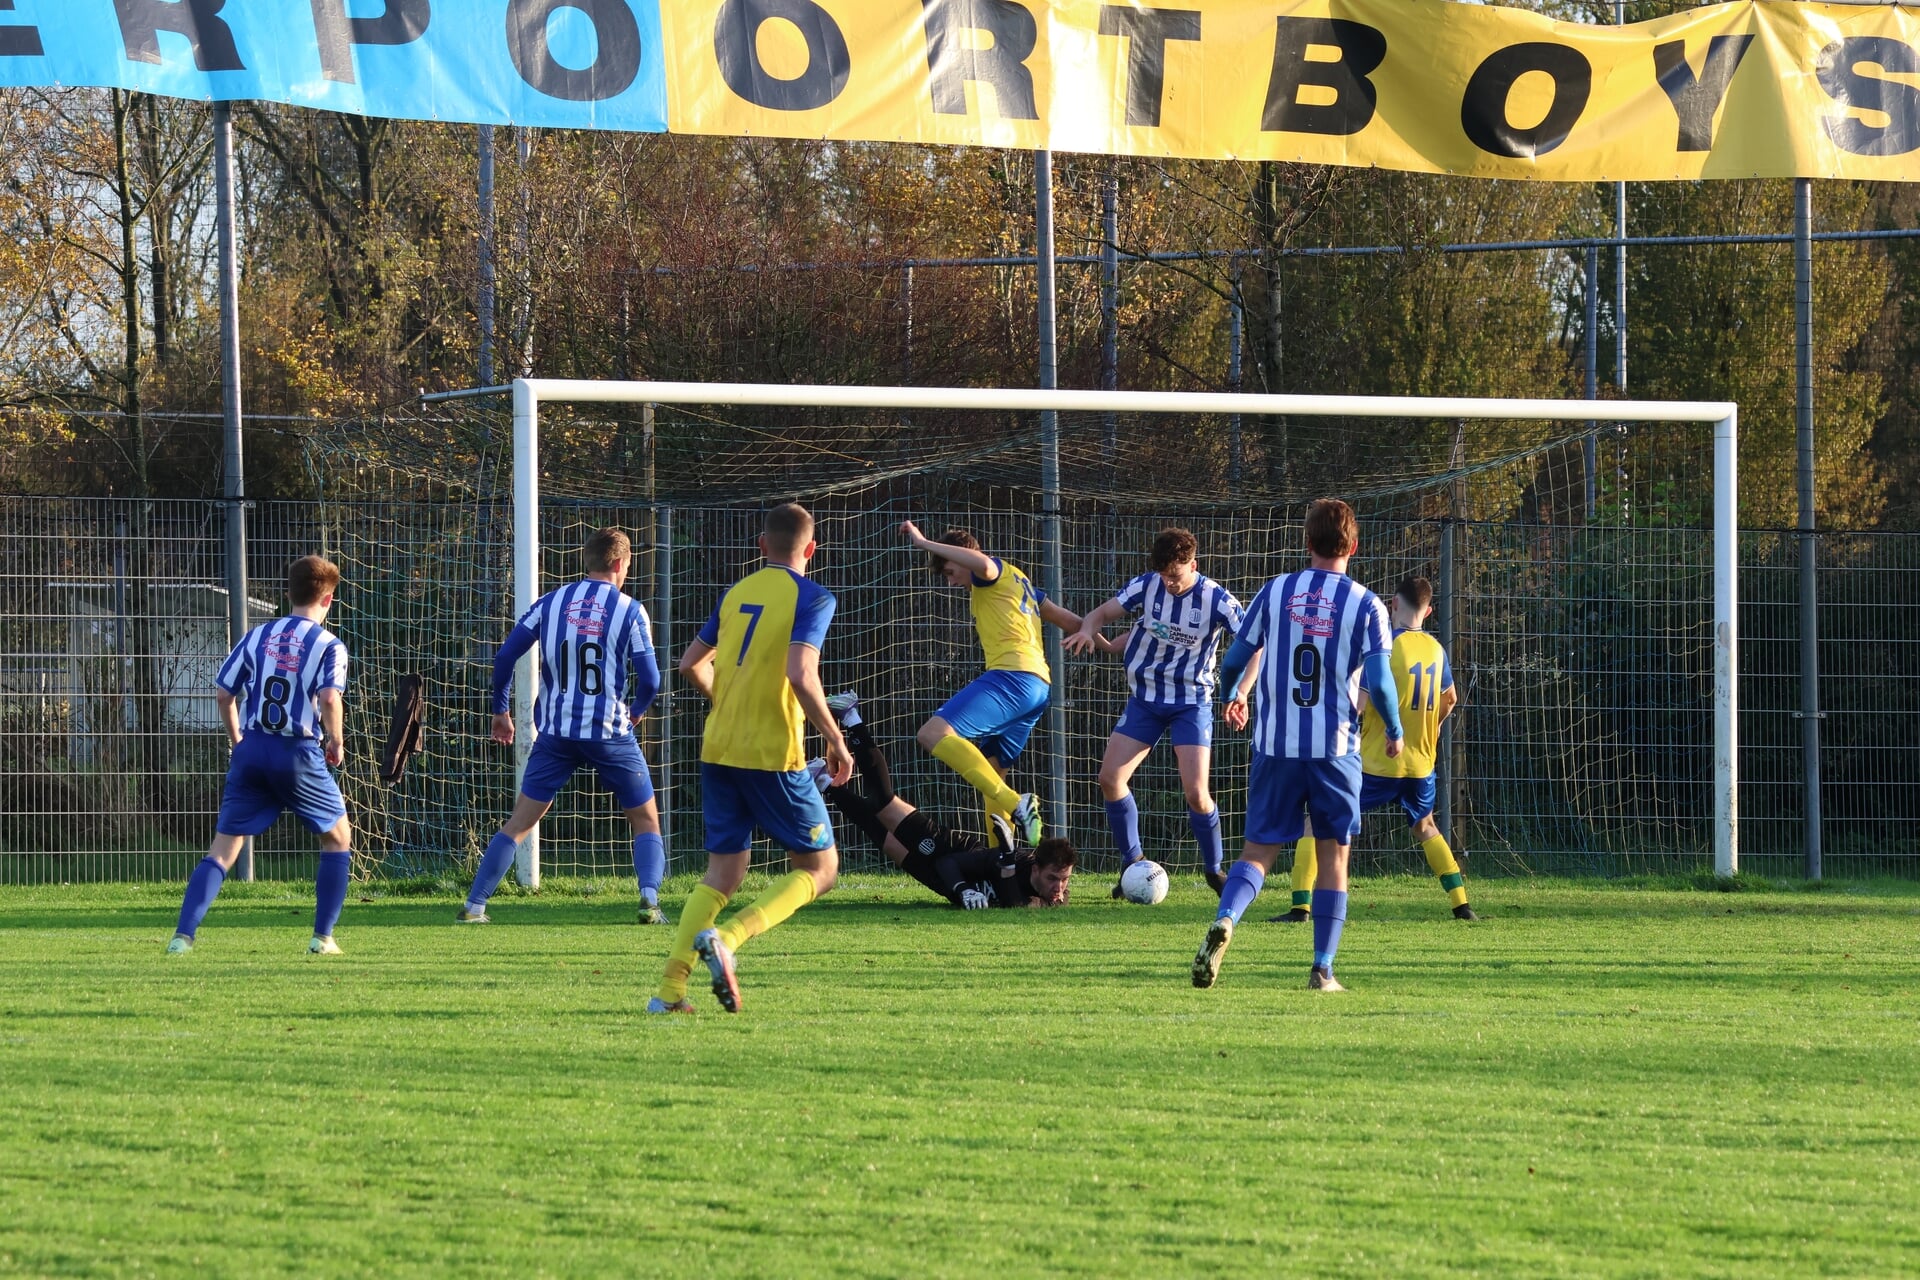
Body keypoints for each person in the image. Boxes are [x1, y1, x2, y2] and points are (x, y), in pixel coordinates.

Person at [1190, 499, 1404, 993]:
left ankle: (1227, 919)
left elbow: (1234, 658)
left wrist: (1231, 695)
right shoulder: (1366, 604)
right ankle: (1322, 969)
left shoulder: (1275, 591)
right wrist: (1392, 729)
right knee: (1334, 858)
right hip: (1335, 752)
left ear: (1306, 544)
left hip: (1274, 747)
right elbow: (1379, 680)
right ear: (1352, 546)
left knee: (1259, 851)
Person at [652, 503, 854, 1015]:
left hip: (719, 745)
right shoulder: (813, 597)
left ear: (762, 546)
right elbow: (800, 674)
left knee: (723, 871)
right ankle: (729, 939)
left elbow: (690, 664)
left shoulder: (737, 592)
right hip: (772, 751)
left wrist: (726, 701)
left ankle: (669, 994)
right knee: (821, 865)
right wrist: (835, 739)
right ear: (811, 549)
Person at [461, 527, 665, 925]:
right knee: (645, 818)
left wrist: (500, 711)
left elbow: (505, 657)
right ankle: (650, 900)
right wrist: (637, 710)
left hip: (555, 734)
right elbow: (652, 680)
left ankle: (475, 905)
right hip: (609, 733)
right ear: (622, 564)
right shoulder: (629, 609)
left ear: (586, 561)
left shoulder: (550, 603)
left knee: (521, 821)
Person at [167, 556, 354, 956]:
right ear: (328, 600)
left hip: (252, 749)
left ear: (288, 593)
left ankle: (182, 938)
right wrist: (336, 741)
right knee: (338, 838)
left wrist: (238, 740)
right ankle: (323, 938)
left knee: (223, 849)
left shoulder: (255, 637)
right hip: (298, 751)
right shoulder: (329, 646)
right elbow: (328, 697)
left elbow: (223, 693)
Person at [1272, 577, 1477, 923]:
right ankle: (1462, 905)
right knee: (1426, 825)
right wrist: (1434, 726)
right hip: (1420, 763)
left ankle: (1300, 907)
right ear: (1427, 612)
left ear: (1392, 604)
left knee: (1315, 819)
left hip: (1376, 762)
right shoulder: (1436, 650)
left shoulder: (1384, 649)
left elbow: (1361, 703)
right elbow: (1451, 698)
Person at [1064, 527, 1254, 897]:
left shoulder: (1217, 599)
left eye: (1176, 576)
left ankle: (1215, 870)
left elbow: (1254, 645)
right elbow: (1102, 612)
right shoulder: (1146, 585)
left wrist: (1241, 692)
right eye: (1164, 575)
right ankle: (1133, 865)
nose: (1169, 582)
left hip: (1190, 704)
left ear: (1193, 565)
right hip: (1145, 701)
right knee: (1109, 779)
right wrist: (1089, 630)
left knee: (1196, 793)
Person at [898, 521, 1087, 846]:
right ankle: (1003, 862)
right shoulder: (1019, 578)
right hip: (1038, 687)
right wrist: (1111, 644)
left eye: (949, 572)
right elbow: (1070, 622)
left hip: (1012, 678)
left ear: (962, 558)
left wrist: (924, 542)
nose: (951, 581)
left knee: (931, 734)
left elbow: (982, 563)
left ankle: (1018, 804)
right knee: (992, 770)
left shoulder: (991, 572)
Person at [811, 692, 1074, 908]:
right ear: (1036, 869)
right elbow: (948, 863)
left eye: (1064, 880)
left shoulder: (1055, 899)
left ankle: (822, 780)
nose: (1058, 887)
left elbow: (1017, 905)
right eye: (1053, 878)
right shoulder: (1015, 860)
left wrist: (962, 892)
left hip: (942, 882)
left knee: (877, 829)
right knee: (884, 805)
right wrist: (972, 883)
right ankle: (851, 715)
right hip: (950, 852)